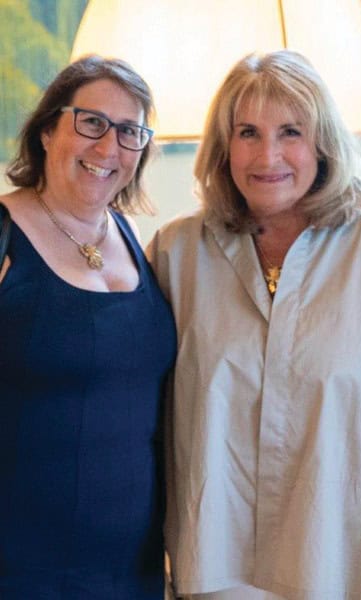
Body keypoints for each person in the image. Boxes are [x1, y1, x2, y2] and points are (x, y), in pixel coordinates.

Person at [148, 50, 361, 600]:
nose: (267, 154)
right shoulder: (176, 254)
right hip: (218, 562)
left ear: (322, 144)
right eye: (247, 132)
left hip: (353, 562)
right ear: (224, 147)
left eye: (290, 132)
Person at [0, 55, 176, 598]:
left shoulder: (137, 240)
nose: (108, 148)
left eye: (129, 132)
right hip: (19, 564)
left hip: (131, 568)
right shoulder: (5, 234)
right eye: (91, 123)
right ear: (49, 131)